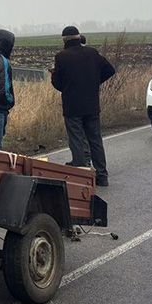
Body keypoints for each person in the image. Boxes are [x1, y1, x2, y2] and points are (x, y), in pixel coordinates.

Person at [51, 26, 115, 186]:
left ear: (64, 40)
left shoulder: (61, 57)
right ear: (79, 37)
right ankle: (102, 175)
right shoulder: (92, 53)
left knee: (77, 140)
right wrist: (93, 82)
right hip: (92, 104)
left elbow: (58, 83)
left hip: (72, 106)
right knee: (95, 139)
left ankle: (83, 175)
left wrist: (56, 77)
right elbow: (110, 70)